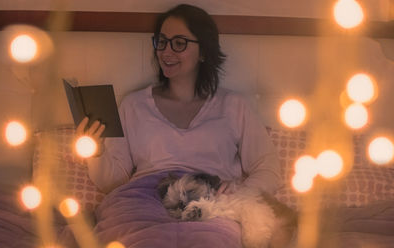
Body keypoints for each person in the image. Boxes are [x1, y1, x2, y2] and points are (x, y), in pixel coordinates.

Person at [77, 4, 282, 197]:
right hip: (145, 202)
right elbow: (113, 183)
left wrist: (240, 191)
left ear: (203, 51)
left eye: (179, 43)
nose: (166, 52)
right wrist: (97, 152)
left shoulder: (234, 106)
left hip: (211, 207)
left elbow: (268, 169)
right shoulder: (133, 106)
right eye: (162, 41)